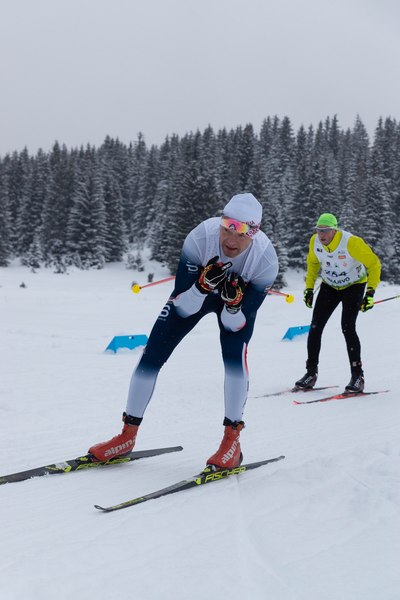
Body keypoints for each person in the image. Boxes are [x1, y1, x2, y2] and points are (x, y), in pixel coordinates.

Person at [89, 193, 279, 468]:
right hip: (193, 296)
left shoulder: (265, 261)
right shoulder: (200, 237)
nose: (231, 240)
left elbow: (234, 326)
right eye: (227, 229)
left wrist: (233, 305)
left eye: (241, 234)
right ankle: (126, 436)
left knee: (235, 359)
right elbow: (183, 308)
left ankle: (232, 442)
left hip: (234, 309)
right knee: (152, 354)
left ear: (254, 234)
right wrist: (201, 287)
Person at [295, 212, 381, 393]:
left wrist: (370, 293)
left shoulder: (351, 242)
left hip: (354, 286)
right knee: (315, 327)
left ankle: (357, 377)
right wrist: (309, 289)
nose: (322, 234)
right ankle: (311, 373)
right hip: (330, 286)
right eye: (319, 230)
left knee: (347, 327)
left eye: (326, 230)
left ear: (335, 230)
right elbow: (313, 264)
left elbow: (374, 264)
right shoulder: (315, 241)